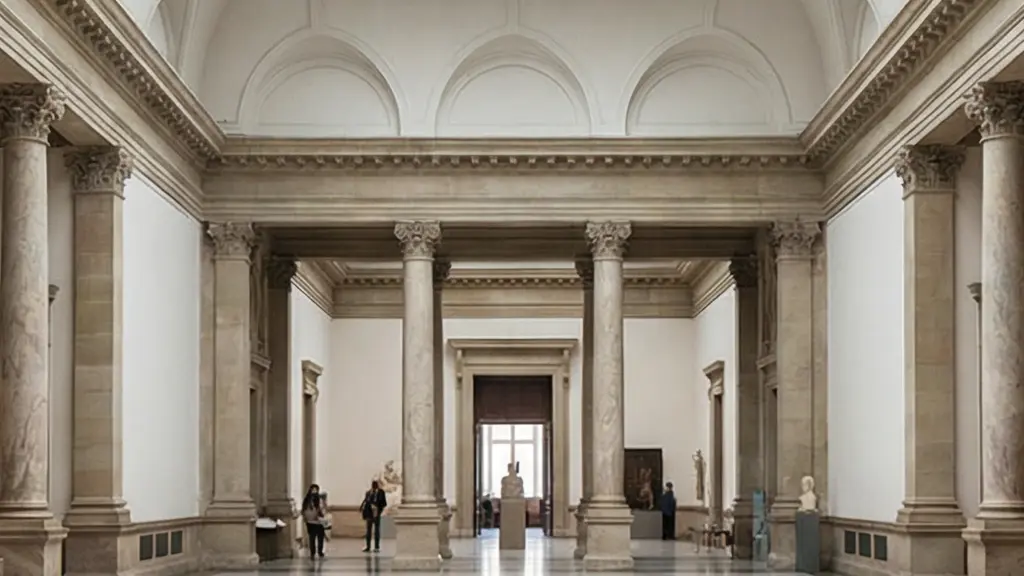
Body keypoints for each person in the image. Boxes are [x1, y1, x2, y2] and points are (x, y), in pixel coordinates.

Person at [360, 480, 388, 552]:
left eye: (375, 484)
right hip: (369, 514)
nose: (374, 485)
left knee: (376, 531)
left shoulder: (381, 492)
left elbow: (384, 503)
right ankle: (368, 546)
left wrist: (379, 510)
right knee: (368, 531)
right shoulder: (368, 493)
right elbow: (366, 502)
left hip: (377, 513)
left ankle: (376, 547)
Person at [301, 484, 326, 559]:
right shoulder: (307, 500)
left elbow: (322, 510)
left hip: (318, 522)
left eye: (316, 490)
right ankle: (313, 552)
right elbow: (304, 510)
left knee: (320, 538)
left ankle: (319, 551)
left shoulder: (318, 500)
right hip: (311, 522)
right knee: (312, 538)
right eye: (313, 490)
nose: (314, 491)